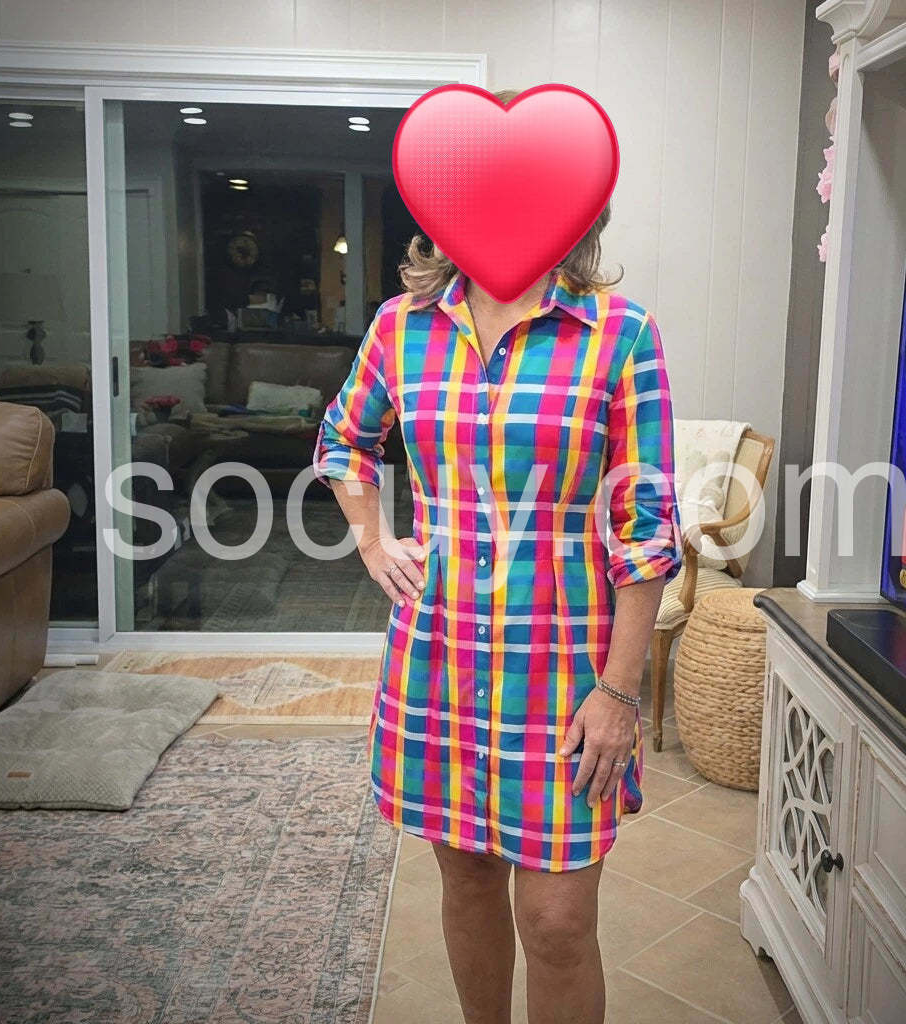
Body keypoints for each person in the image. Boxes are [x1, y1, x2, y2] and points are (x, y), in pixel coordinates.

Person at [313, 90, 681, 1024]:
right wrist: (373, 541)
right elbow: (344, 440)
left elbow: (645, 524)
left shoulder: (619, 334)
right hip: (438, 664)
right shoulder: (403, 327)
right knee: (467, 882)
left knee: (558, 922)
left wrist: (620, 691)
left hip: (565, 674)